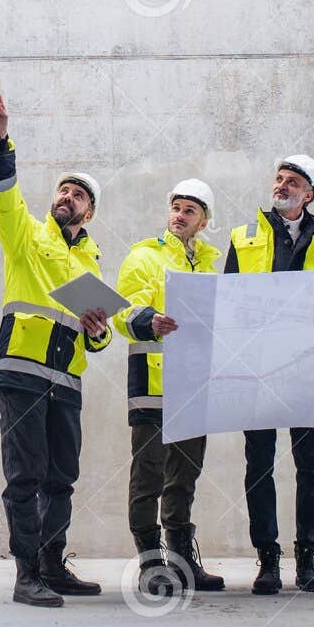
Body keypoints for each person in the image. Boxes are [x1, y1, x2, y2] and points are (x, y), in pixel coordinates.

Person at [0, 88, 112, 608]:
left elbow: (97, 336)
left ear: (89, 212)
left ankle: (54, 565)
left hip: (68, 384)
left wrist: (99, 329)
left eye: (78, 195)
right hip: (23, 374)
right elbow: (2, 196)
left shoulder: (91, 263)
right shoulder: (26, 236)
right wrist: (0, 143)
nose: (67, 197)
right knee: (25, 475)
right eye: (63, 190)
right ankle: (27, 573)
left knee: (62, 477)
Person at [225, 154, 314, 594]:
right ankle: (268, 559)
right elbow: (228, 302)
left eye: (292, 181)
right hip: (257, 366)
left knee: (308, 465)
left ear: (308, 194)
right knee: (259, 464)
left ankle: (308, 558)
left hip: (309, 368)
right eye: (278, 178)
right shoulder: (244, 236)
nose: (281, 185)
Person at [113, 179, 224, 595]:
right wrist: (149, 320)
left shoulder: (211, 265)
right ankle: (150, 562)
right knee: (149, 475)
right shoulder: (144, 255)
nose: (180, 215)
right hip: (153, 381)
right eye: (176, 207)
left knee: (185, 476)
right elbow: (122, 310)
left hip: (195, 385)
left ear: (204, 221)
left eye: (190, 210)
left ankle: (181, 560)